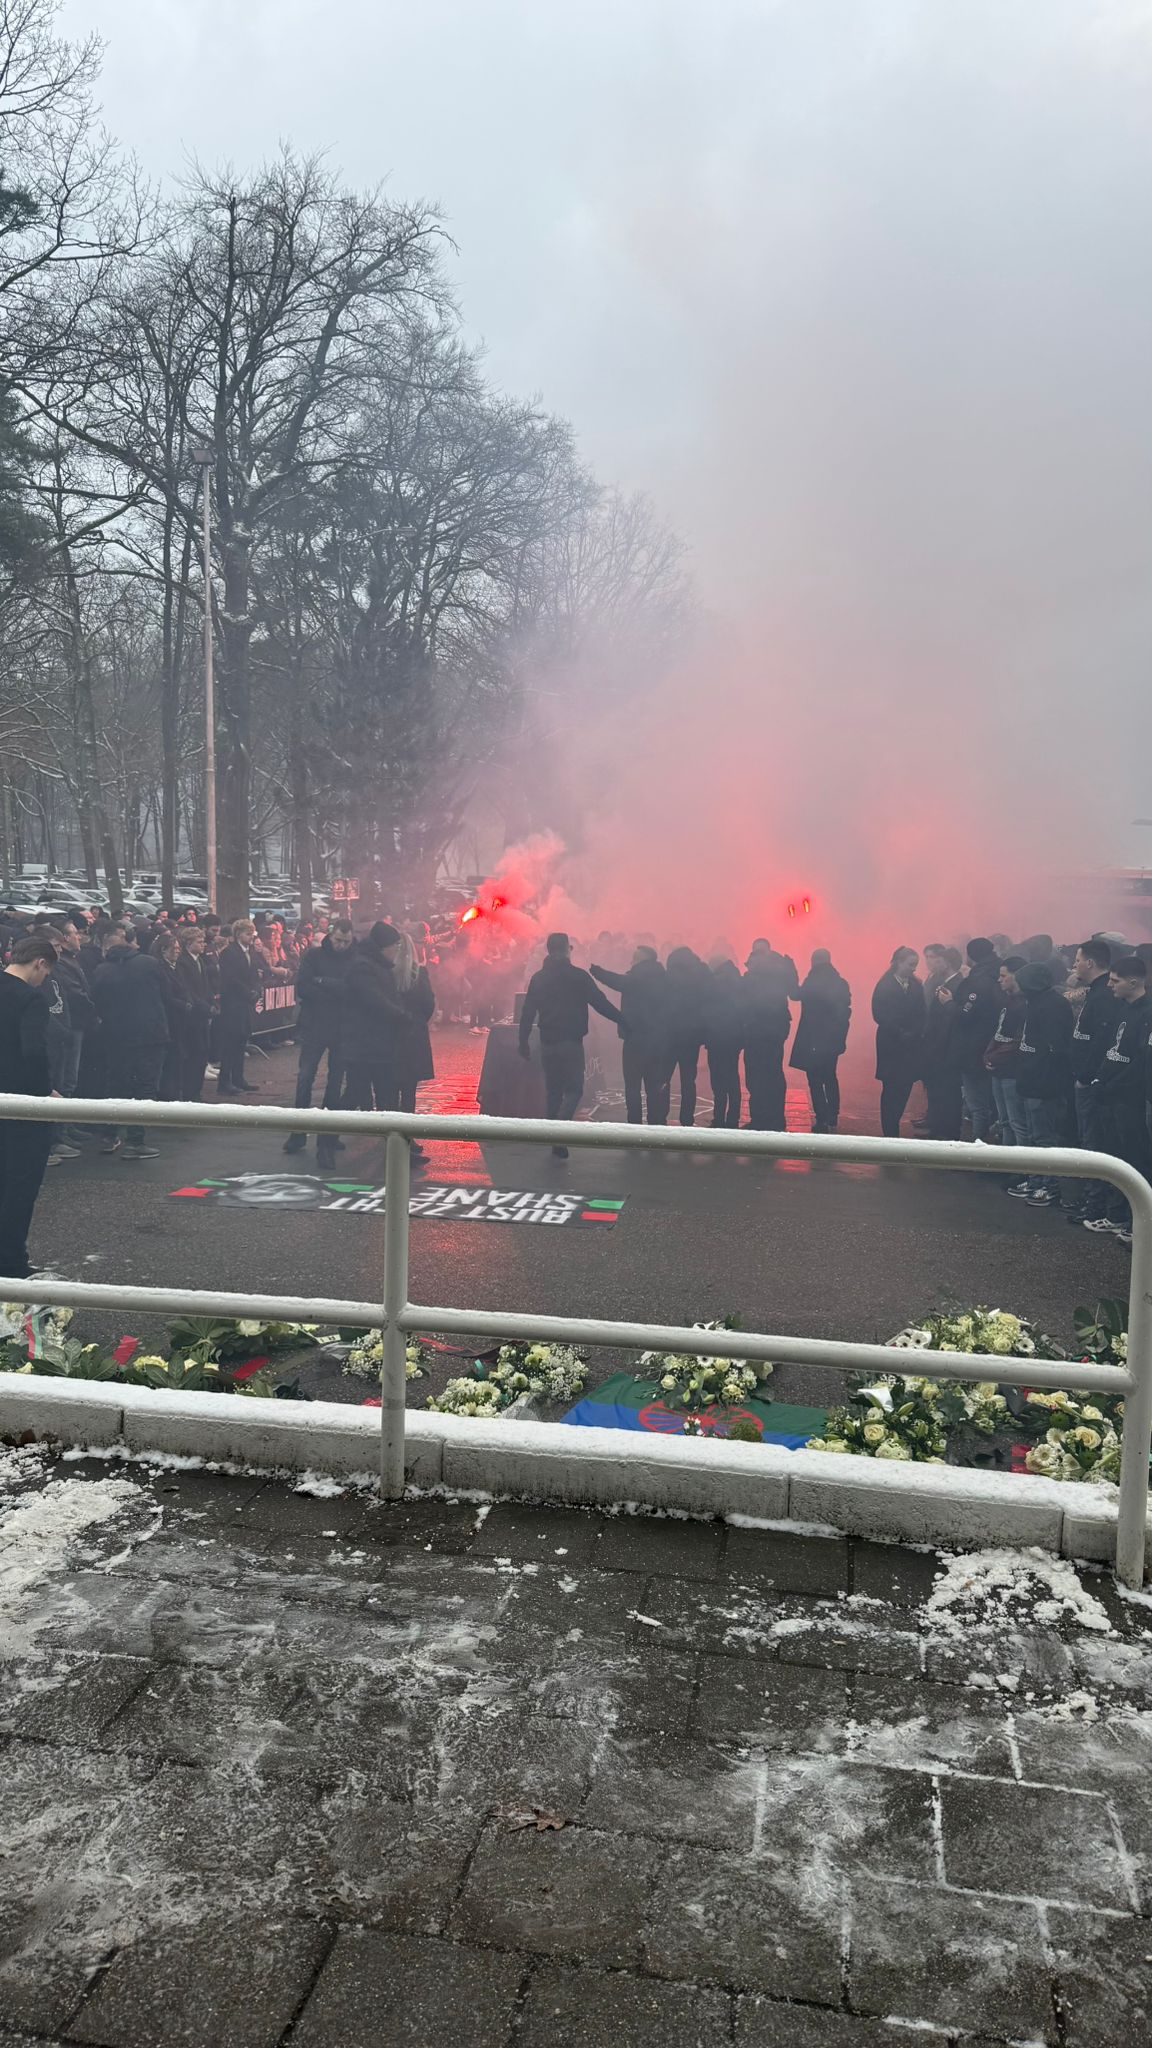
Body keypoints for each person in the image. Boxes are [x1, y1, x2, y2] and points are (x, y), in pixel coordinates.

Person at [519, 932, 622, 1158]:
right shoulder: (579, 976)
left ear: (548, 950)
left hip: (548, 1041)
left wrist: (523, 1041)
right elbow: (600, 1003)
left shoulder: (538, 978)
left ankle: (553, 1135)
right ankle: (560, 1132)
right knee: (574, 1089)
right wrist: (622, 1020)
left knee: (553, 1091)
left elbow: (527, 1012)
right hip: (571, 1042)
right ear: (567, 949)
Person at [0, 935, 59, 1278]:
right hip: (22, 1106)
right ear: (40, 963)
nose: (44, 980)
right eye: (46, 974)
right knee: (19, 1187)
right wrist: (46, 1092)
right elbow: (34, 1052)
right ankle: (10, 1263)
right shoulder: (30, 999)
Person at [89, 926, 171, 1159]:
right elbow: (167, 993)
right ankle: (136, 1140)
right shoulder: (149, 963)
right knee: (145, 1086)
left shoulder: (101, 970)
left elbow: (95, 1001)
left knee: (115, 1085)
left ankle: (109, 1135)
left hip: (115, 1035)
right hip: (150, 1034)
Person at [1084, 954, 1150, 1241]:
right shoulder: (1123, 1009)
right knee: (1114, 1156)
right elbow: (1113, 1049)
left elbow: (1142, 1062)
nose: (1110, 985)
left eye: (1115, 980)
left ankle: (1138, 1226)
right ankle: (1116, 1216)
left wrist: (1112, 1085)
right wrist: (1100, 1079)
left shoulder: (1148, 1013)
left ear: (1133, 982)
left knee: (1135, 1161)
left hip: (1130, 1100)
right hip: (1110, 1095)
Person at [283, 920, 356, 1154]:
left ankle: (328, 1135)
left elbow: (352, 989)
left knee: (335, 1082)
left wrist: (323, 982)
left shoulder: (354, 958)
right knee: (305, 1078)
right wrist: (335, 990)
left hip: (340, 1027)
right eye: (338, 940)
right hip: (315, 1025)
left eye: (346, 942)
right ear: (331, 936)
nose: (342, 945)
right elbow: (303, 987)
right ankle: (298, 1132)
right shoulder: (314, 955)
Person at [338, 922, 408, 1154]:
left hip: (380, 1045)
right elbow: (375, 1001)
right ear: (383, 946)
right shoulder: (362, 967)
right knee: (354, 1096)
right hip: (362, 1047)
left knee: (388, 1098)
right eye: (395, 946)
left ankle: (398, 1149)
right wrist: (401, 1016)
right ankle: (326, 1139)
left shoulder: (379, 965)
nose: (397, 950)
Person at [1012, 961, 1075, 1208]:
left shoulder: (1053, 1005)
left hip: (1044, 1084)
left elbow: (1056, 1049)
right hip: (1031, 1080)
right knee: (1034, 1136)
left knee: (1045, 1137)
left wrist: (1041, 1076)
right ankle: (1035, 1179)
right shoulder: (1035, 1002)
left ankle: (1050, 1186)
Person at [1066, 939, 1117, 1227]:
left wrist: (1086, 1077)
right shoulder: (1095, 992)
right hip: (1085, 1078)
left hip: (1090, 1083)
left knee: (1093, 1142)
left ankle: (1095, 1204)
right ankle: (1092, 1200)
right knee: (1088, 1139)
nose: (1074, 965)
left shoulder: (1103, 996)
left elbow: (1100, 1042)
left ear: (1090, 962)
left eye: (1077, 960)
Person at [591, 945, 671, 1126]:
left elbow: (618, 982)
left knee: (632, 1085)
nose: (630, 962)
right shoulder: (663, 976)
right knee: (654, 1085)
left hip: (635, 1038)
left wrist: (598, 972)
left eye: (634, 958)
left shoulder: (638, 976)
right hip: (658, 1040)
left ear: (641, 960)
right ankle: (655, 1122)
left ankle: (634, 1124)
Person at [944, 938, 1002, 1141]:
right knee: (991, 1102)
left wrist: (949, 1003)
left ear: (971, 955)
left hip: (973, 1049)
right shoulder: (997, 973)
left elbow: (966, 1014)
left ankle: (976, 1145)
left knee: (977, 1103)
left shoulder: (979, 981)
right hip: (992, 1047)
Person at [789, 949, 852, 1134]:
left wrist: (792, 972)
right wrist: (840, 1038)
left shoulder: (812, 982)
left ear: (813, 961)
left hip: (813, 1039)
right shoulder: (840, 983)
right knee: (830, 1076)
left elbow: (795, 995)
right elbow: (845, 1012)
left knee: (815, 1079)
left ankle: (821, 1117)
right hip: (832, 1039)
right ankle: (833, 1115)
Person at [741, 938, 801, 1131]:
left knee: (756, 1075)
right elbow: (794, 993)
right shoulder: (782, 967)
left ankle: (760, 1119)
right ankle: (775, 1119)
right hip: (775, 1029)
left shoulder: (755, 971)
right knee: (773, 1073)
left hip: (757, 1029)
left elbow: (744, 997)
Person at [871, 947, 924, 1137]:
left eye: (915, 965)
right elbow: (878, 1014)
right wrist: (899, 1031)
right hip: (890, 1042)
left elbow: (922, 1012)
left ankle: (894, 1121)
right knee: (891, 1086)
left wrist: (915, 1031)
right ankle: (890, 1129)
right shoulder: (885, 985)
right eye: (911, 964)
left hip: (910, 1043)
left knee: (905, 1085)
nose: (914, 968)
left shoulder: (916, 985)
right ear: (899, 962)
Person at [393, 932, 437, 1161]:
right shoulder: (419, 973)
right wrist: (418, 1021)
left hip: (392, 1036)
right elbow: (429, 1003)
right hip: (414, 1036)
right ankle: (407, 1139)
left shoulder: (387, 974)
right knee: (409, 1092)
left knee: (391, 1091)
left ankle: (396, 1138)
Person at [983, 955, 1029, 1162]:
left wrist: (994, 1056)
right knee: (1004, 1121)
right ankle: (1006, 1164)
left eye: (1003, 976)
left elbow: (1018, 1040)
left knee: (1016, 1122)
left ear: (1016, 976)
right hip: (999, 1069)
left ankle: (1020, 1167)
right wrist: (988, 1055)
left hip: (1012, 1071)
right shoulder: (1007, 1001)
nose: (999, 980)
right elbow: (999, 1032)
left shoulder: (1025, 1004)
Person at [664, 946, 713, 1126]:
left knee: (664, 1077)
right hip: (692, 1035)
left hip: (671, 1033)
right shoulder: (702, 973)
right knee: (688, 1080)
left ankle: (660, 1115)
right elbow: (709, 1001)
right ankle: (687, 1118)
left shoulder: (670, 975)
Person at [919, 945, 963, 1137]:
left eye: (939, 959)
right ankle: (937, 1127)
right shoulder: (942, 981)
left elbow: (949, 1020)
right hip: (936, 1046)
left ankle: (945, 1131)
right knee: (937, 1090)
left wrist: (936, 1046)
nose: (934, 963)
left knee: (947, 1093)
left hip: (944, 1048)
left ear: (947, 963)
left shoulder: (957, 985)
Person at [217, 919, 264, 1095]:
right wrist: (247, 992)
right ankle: (225, 1081)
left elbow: (255, 974)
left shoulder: (250, 951)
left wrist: (256, 990)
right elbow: (231, 978)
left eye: (252, 933)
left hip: (245, 1003)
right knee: (231, 1043)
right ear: (238, 934)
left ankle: (238, 1078)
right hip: (233, 1003)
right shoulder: (229, 953)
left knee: (241, 1041)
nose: (251, 937)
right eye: (247, 934)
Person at [703, 955, 745, 1130]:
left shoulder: (715, 982)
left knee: (718, 1080)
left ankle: (719, 1117)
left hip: (717, 1037)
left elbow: (708, 1009)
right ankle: (733, 1117)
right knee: (732, 1078)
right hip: (734, 1037)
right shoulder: (738, 979)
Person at [174, 926, 214, 1101]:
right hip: (192, 1016)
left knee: (202, 1052)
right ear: (188, 943)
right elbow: (188, 989)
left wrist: (211, 1003)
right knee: (193, 1054)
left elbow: (206, 987)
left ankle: (197, 1091)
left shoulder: (200, 961)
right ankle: (190, 1092)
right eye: (199, 942)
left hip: (203, 1014)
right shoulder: (183, 962)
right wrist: (204, 1006)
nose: (203, 944)